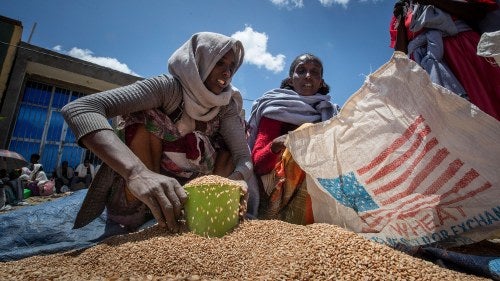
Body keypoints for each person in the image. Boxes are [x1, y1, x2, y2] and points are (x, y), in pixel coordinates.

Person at [62, 32, 252, 233]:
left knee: (231, 144)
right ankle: (145, 214)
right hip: (146, 184)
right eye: (220, 63)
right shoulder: (167, 88)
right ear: (199, 62)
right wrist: (137, 173)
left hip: (196, 197)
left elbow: (243, 157)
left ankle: (203, 217)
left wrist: (233, 183)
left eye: (232, 67)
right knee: (144, 119)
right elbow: (80, 109)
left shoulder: (225, 105)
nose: (227, 73)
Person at [247, 53, 340, 224]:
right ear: (291, 79)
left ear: (321, 81)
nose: (308, 76)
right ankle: (284, 219)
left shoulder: (329, 113)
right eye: (301, 71)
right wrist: (276, 145)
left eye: (314, 72)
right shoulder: (276, 108)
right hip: (274, 183)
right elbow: (258, 165)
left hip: (317, 181)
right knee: (305, 134)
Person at [390, 0, 500, 121]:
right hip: (424, 65)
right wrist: (400, 19)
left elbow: (477, 12)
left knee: (484, 102)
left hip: (461, 50)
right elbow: (400, 51)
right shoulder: (404, 10)